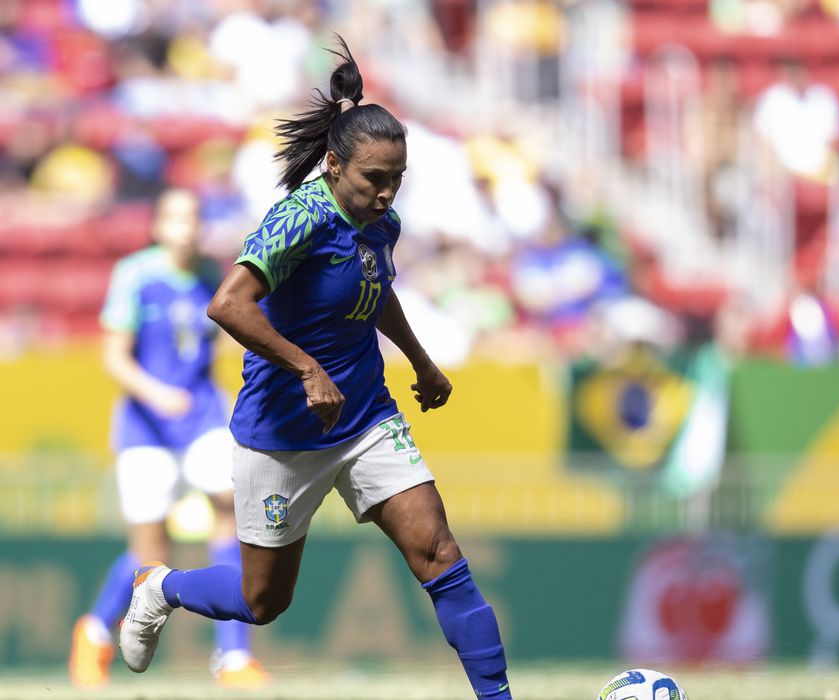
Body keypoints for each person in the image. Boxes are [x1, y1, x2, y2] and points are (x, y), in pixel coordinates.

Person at [118, 38, 513, 699]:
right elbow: (229, 303)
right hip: (283, 433)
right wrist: (304, 367)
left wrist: (420, 360)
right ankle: (161, 588)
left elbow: (374, 289)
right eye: (373, 180)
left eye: (396, 179)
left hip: (364, 418)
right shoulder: (298, 218)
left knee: (440, 555)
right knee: (263, 600)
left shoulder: (379, 225)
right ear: (334, 165)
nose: (387, 194)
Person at [68, 189, 269, 689]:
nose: (188, 226)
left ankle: (234, 659)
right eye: (177, 217)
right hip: (146, 429)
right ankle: (94, 631)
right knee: (152, 555)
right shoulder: (136, 275)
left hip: (201, 421)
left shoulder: (211, 275)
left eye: (195, 216)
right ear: (157, 226)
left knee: (232, 511)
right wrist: (157, 395)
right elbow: (115, 356)